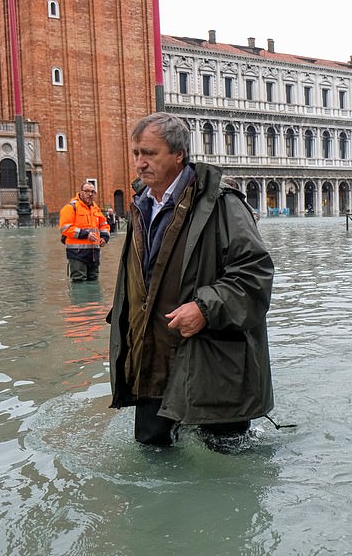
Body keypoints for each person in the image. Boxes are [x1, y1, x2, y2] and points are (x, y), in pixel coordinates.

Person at [108, 112, 274, 447]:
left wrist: (204, 308)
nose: (139, 163)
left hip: (211, 362)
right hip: (151, 358)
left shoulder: (222, 204)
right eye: (136, 154)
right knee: (152, 455)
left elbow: (255, 274)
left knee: (224, 464)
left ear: (178, 154)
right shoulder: (141, 205)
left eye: (149, 154)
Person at [59, 182, 110, 282]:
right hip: (77, 253)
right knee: (79, 281)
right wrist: (86, 235)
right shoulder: (70, 208)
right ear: (80, 192)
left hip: (94, 253)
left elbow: (104, 225)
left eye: (92, 192)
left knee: (94, 280)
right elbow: (65, 228)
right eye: (86, 191)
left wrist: (104, 238)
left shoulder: (96, 209)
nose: (90, 194)